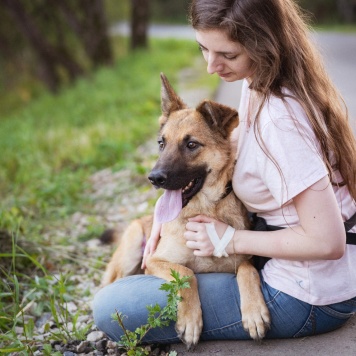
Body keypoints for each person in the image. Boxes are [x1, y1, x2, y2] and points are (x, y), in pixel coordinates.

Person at [93, 0, 356, 343]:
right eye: (203, 48)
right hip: (312, 273)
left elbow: (328, 241)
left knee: (111, 308)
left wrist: (230, 239)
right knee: (141, 279)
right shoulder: (258, 82)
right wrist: (165, 213)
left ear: (263, 44)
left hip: (309, 294)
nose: (210, 67)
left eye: (227, 55)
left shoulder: (281, 118)